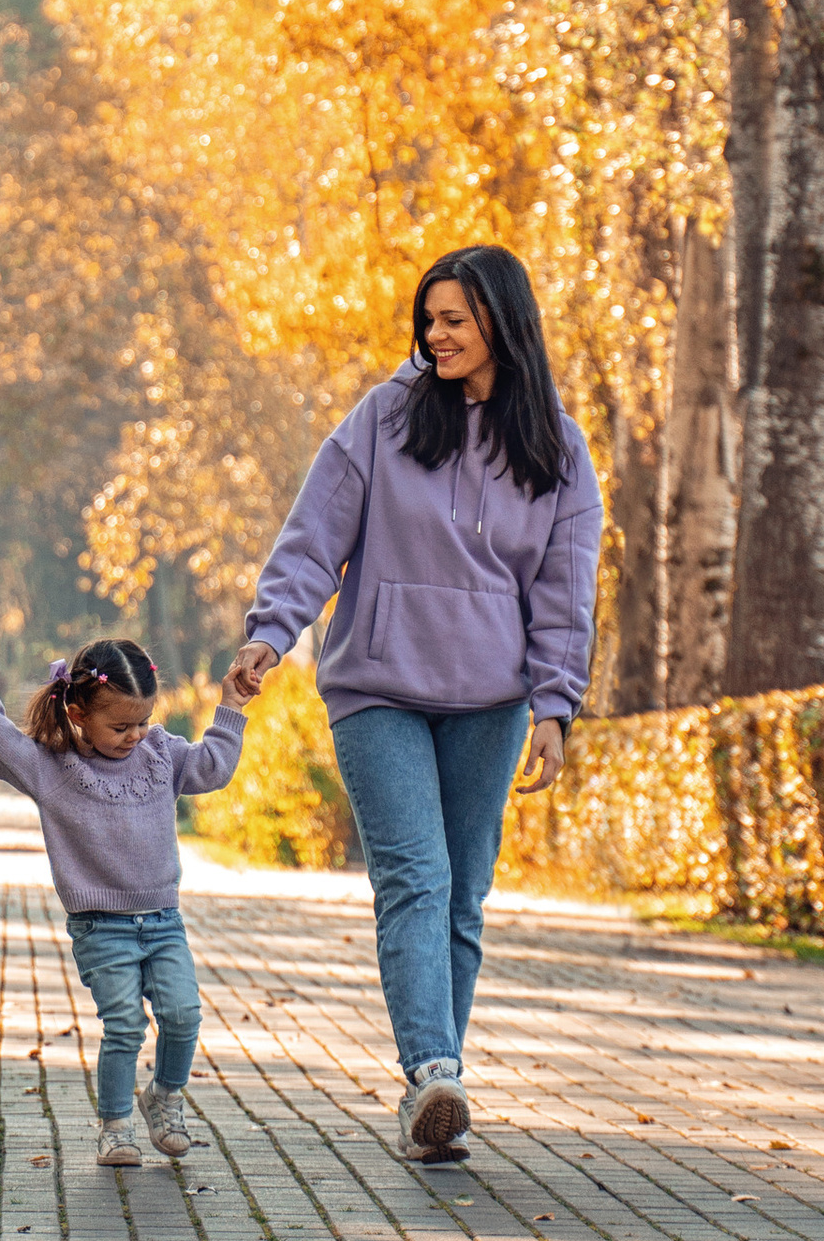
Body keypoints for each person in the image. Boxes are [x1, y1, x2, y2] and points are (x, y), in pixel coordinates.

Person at [228, 244, 600, 1166]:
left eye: (453, 320)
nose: (434, 335)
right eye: (428, 319)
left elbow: (565, 588)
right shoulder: (385, 418)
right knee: (415, 881)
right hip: (378, 688)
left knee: (463, 897)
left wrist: (554, 706)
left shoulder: (556, 446)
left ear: (501, 323)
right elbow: (314, 535)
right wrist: (271, 632)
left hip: (491, 700)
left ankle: (440, 1092)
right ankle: (431, 1070)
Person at [0, 634, 246, 1169]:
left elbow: (213, 767)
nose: (135, 735)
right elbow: (0, 744)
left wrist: (231, 707)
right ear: (79, 713)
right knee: (125, 1025)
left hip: (163, 921)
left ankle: (165, 1097)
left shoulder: (160, 754)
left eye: (143, 721)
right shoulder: (53, 767)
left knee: (183, 1015)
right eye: (121, 726)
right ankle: (115, 1127)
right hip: (101, 928)